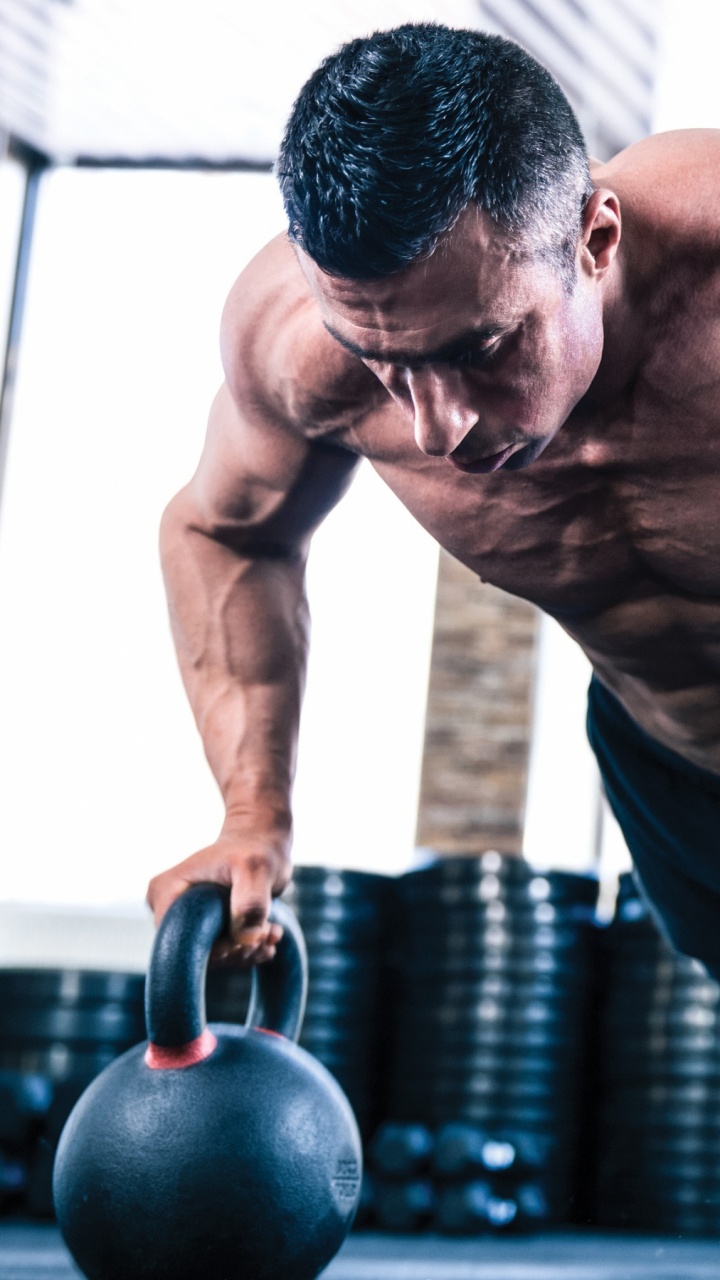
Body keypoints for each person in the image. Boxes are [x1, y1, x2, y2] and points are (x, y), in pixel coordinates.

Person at [147, 23, 720, 979]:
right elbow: (225, 532)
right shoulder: (298, 351)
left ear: (596, 238)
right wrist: (253, 813)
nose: (436, 429)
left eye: (482, 349)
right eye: (388, 367)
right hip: (669, 761)